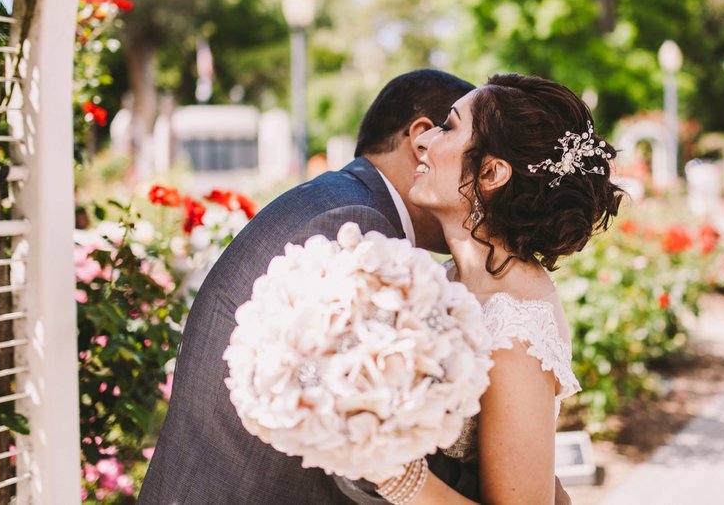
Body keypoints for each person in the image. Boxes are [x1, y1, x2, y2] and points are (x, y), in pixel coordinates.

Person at [139, 70, 480, 503]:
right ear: (422, 140)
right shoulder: (357, 227)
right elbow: (361, 422)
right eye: (477, 161)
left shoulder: (337, 200)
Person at [365, 74, 622, 504]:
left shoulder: (514, 330)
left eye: (448, 126)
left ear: (491, 172)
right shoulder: (449, 279)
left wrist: (389, 473)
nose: (423, 140)